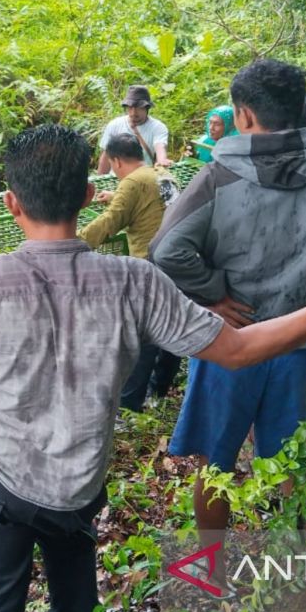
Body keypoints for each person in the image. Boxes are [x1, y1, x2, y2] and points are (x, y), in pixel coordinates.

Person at [0, 124, 306, 612]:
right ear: (86, 195)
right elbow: (237, 349)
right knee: (75, 597)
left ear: (12, 203)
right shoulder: (133, 281)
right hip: (77, 486)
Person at [149, 59, 306, 558]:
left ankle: (211, 569)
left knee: (215, 465)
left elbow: (165, 250)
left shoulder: (216, 178)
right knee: (289, 465)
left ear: (242, 117)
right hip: (300, 344)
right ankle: (302, 570)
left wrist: (213, 291)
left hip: (228, 343)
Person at [79, 133, 177, 411]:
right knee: (172, 327)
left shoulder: (132, 182)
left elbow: (111, 221)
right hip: (176, 261)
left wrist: (74, 242)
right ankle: (160, 390)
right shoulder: (161, 175)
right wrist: (116, 196)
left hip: (150, 264)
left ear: (116, 161)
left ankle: (128, 404)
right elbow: (150, 205)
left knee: (143, 336)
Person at [97, 85, 172, 174]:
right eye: (130, 107)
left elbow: (160, 146)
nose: (133, 113)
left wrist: (162, 160)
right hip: (116, 179)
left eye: (138, 108)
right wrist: (100, 179)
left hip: (143, 177)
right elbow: (106, 156)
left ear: (146, 108)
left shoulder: (158, 127)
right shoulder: (114, 125)